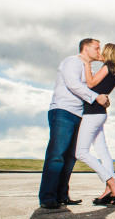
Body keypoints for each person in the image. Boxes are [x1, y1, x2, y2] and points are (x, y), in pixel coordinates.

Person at [39, 39, 110, 209]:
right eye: (96, 48)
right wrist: (95, 98)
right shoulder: (72, 62)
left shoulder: (87, 68)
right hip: (63, 111)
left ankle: (62, 195)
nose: (99, 51)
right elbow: (73, 84)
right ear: (85, 49)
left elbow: (91, 85)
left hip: (78, 114)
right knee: (57, 155)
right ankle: (47, 197)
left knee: (70, 157)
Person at [75, 43, 115, 205]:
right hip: (99, 114)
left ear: (109, 53)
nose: (100, 52)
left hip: (93, 114)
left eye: (102, 49)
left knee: (81, 152)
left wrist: (85, 63)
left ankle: (112, 182)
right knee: (102, 152)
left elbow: (90, 84)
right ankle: (109, 190)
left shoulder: (108, 66)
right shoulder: (113, 69)